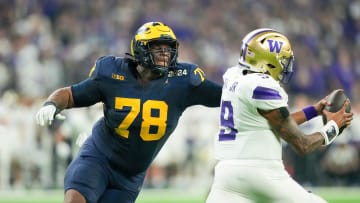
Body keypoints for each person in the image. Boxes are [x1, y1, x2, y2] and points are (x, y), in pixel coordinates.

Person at [35, 21, 222, 203]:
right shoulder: (112, 73)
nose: (165, 54)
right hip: (97, 157)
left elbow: (225, 95)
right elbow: (70, 94)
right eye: (158, 48)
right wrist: (52, 103)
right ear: (140, 48)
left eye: (168, 48)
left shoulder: (183, 81)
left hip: (130, 176)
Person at [205, 28, 353, 203]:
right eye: (282, 60)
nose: (285, 65)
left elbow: (276, 123)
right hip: (261, 172)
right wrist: (333, 127)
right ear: (267, 60)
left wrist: (314, 110)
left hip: (227, 174)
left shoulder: (234, 77)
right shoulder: (262, 86)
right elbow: (302, 145)